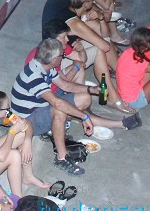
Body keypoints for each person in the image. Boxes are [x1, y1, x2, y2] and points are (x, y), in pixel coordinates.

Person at [10, 38, 140, 176]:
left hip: (40, 107)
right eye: (61, 55)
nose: (63, 56)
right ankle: (61, 157)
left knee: (84, 98)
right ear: (54, 59)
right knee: (59, 111)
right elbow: (57, 103)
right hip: (27, 121)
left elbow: (65, 85)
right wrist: (83, 117)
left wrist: (91, 89)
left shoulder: (45, 66)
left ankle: (117, 123)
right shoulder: (34, 76)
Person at [0, 90, 51, 197]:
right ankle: (18, 199)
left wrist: (27, 141)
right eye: (7, 109)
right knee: (14, 155)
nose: (9, 111)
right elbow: (1, 157)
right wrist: (12, 132)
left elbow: (26, 123)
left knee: (22, 134)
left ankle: (28, 176)